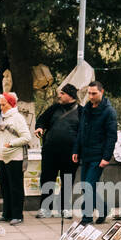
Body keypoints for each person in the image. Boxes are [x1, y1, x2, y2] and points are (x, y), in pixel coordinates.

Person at [72, 81, 117, 225]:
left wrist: (106, 157)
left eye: (94, 93)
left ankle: (87, 218)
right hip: (86, 154)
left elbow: (112, 136)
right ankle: (103, 210)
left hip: (98, 156)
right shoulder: (86, 109)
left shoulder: (109, 112)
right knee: (86, 186)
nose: (91, 96)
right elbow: (81, 131)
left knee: (88, 185)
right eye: (89, 93)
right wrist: (76, 150)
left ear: (101, 92)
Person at [34, 84, 80, 218]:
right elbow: (42, 120)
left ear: (70, 95)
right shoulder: (54, 108)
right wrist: (40, 127)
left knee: (67, 180)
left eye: (62, 93)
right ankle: (45, 208)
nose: (59, 96)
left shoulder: (81, 111)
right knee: (47, 179)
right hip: (50, 151)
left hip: (71, 153)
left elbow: (84, 132)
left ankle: (64, 208)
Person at [0, 91, 33, 226]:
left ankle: (17, 215)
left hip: (14, 157)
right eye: (0, 104)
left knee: (15, 187)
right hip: (3, 157)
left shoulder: (17, 118)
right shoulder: (1, 116)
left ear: (10, 104)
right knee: (5, 186)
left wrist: (11, 144)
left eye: (3, 104)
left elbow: (27, 137)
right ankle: (7, 213)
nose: (1, 107)